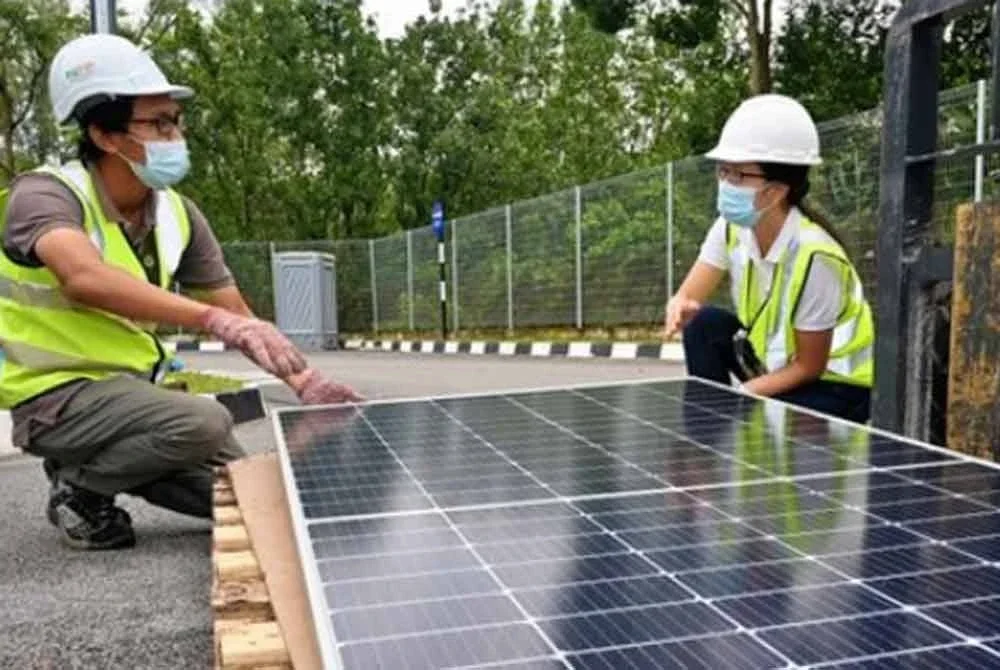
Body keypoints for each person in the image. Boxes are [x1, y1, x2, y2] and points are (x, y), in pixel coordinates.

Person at [0, 33, 362, 551]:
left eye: (177, 121)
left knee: (249, 495)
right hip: (55, 399)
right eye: (159, 124)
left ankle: (101, 468)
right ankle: (80, 487)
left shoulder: (176, 212)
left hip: (135, 399)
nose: (176, 136)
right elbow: (83, 276)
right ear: (104, 134)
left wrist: (305, 381)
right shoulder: (44, 195)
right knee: (204, 422)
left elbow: (236, 313)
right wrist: (210, 321)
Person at [663, 94, 874, 424]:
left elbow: (809, 366)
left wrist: (742, 394)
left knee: (760, 427)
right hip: (779, 367)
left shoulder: (816, 257)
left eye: (737, 175)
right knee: (701, 323)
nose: (725, 184)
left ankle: (729, 420)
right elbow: (690, 297)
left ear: (775, 191)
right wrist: (679, 305)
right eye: (723, 171)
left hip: (836, 386)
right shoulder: (730, 227)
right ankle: (705, 433)